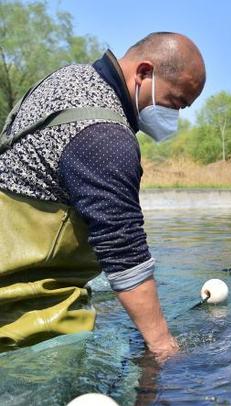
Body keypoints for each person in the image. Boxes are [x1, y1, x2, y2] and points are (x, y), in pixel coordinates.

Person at [0, 32, 206, 359]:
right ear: (143, 73)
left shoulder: (67, 79)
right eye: (176, 101)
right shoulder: (105, 135)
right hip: (27, 321)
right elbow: (124, 250)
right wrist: (163, 346)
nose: (175, 115)